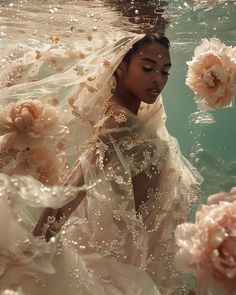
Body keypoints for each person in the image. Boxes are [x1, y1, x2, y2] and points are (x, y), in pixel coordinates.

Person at [0, 32, 201, 295]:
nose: (157, 79)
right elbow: (74, 186)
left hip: (129, 252)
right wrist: (39, 248)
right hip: (120, 258)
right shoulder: (118, 122)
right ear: (120, 66)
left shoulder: (138, 115)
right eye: (148, 68)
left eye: (165, 72)